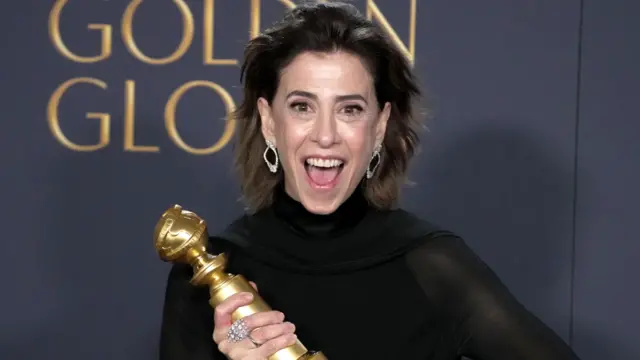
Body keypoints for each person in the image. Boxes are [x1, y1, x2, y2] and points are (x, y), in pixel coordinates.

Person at [158, 2, 581, 359]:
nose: (325, 134)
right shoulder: (210, 278)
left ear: (379, 126)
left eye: (350, 109)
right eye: (303, 106)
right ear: (270, 122)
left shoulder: (432, 267)